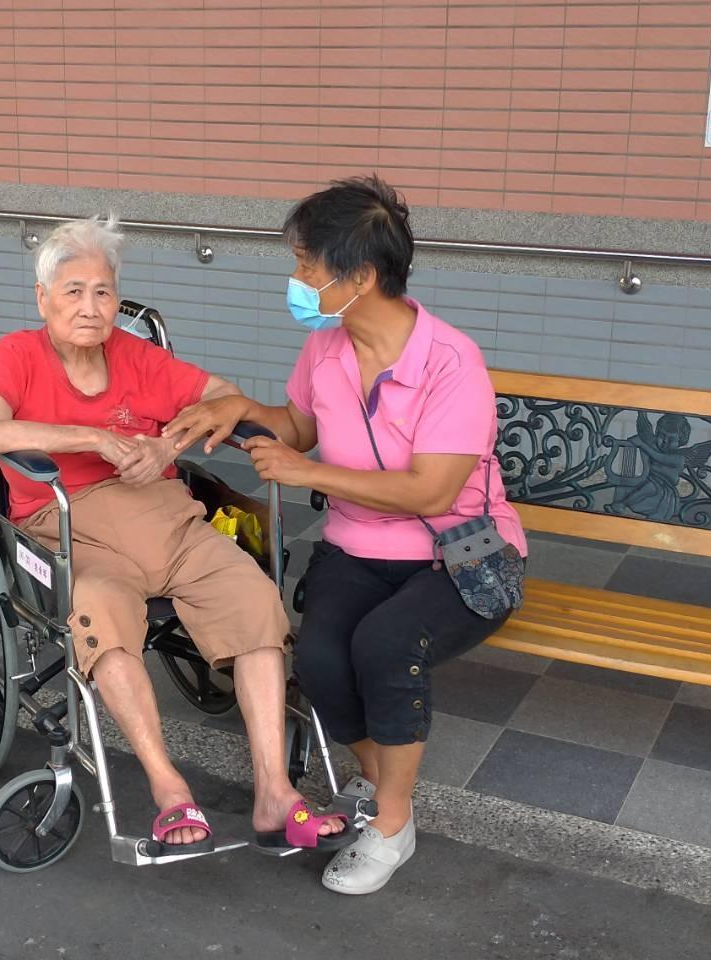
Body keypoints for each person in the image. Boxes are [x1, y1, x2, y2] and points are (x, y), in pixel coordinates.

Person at [165, 176, 527, 894]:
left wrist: (308, 474)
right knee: (325, 658)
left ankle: (390, 824)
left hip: (460, 556)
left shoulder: (452, 364)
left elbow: (432, 490)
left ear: (359, 277)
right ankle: (380, 781)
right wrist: (240, 415)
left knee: (386, 647)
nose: (297, 280)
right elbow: (300, 426)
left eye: (308, 266)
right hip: (358, 547)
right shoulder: (329, 349)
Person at [0, 214, 352, 856]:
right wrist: (91, 437)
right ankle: (170, 789)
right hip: (70, 529)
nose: (91, 308)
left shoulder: (140, 357)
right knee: (102, 616)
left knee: (254, 597)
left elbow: (223, 397)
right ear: (42, 298)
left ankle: (275, 793)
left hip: (167, 518)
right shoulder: (18, 357)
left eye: (103, 292)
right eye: (73, 291)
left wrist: (163, 441)